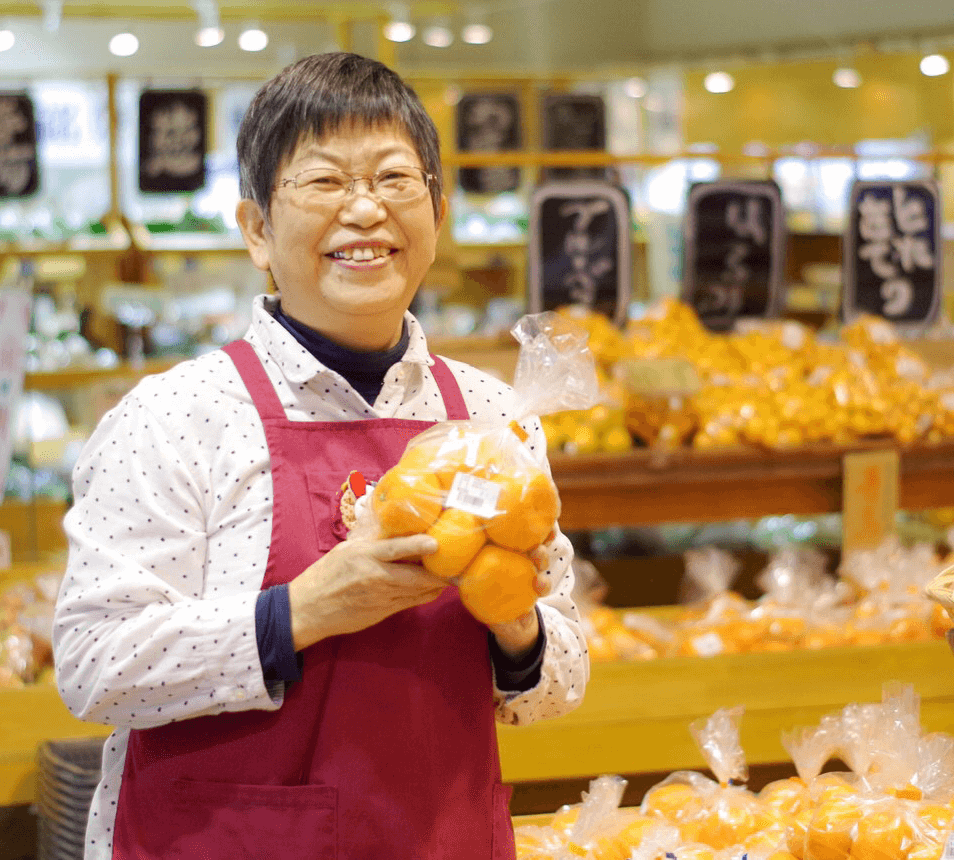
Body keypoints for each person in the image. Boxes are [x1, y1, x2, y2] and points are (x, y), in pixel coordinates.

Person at [52, 52, 588, 859]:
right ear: (258, 230)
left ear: (436, 215)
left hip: (439, 836)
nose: (366, 210)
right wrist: (301, 612)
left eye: (394, 180)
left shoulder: (493, 419)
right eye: (326, 182)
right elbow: (94, 667)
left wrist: (517, 627)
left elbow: (564, 678)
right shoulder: (174, 418)